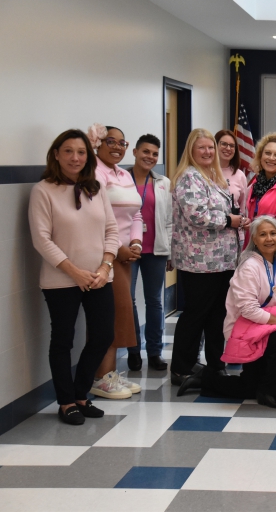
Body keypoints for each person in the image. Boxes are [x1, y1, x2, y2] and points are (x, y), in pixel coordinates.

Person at [29, 129, 118, 425]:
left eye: (81, 152)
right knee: (63, 340)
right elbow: (41, 239)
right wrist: (74, 271)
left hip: (99, 277)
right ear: (56, 154)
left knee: (103, 334)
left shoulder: (97, 188)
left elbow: (111, 230)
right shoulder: (43, 190)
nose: (75, 157)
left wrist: (105, 267)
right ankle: (66, 402)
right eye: (68, 151)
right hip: (61, 281)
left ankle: (81, 394)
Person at [177, 216, 276, 408]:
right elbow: (248, 309)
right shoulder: (249, 266)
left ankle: (204, 379)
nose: (269, 238)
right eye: (263, 234)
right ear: (255, 240)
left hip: (270, 325)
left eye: (273, 233)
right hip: (245, 329)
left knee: (250, 387)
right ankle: (270, 393)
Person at [170, 128, 241, 385]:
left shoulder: (212, 176)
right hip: (199, 262)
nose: (208, 152)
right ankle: (181, 367)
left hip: (221, 260)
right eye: (202, 148)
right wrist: (230, 220)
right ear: (191, 150)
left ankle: (215, 364)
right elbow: (197, 215)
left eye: (210, 147)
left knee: (216, 316)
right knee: (195, 314)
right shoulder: (189, 178)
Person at [88, 124, 141, 398]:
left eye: (122, 143)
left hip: (124, 255)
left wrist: (135, 243)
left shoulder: (124, 174)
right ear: (97, 143)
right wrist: (118, 249)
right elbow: (94, 217)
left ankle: (108, 373)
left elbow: (136, 215)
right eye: (111, 141)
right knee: (111, 316)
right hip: (104, 255)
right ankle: (101, 378)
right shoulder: (94, 172)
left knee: (121, 314)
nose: (118, 147)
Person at [128, 134, 172, 372]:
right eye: (145, 152)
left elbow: (169, 220)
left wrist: (170, 252)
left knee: (155, 301)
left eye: (155, 154)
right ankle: (134, 350)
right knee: (128, 300)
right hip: (128, 250)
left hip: (155, 250)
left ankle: (154, 351)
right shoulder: (121, 179)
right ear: (134, 152)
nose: (150, 157)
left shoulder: (162, 182)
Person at [215, 129, 249, 248]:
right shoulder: (204, 173)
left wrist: (244, 220)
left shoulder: (239, 175)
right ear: (215, 145)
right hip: (210, 236)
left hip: (233, 238)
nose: (228, 148)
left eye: (232, 146)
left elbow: (243, 206)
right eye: (224, 144)